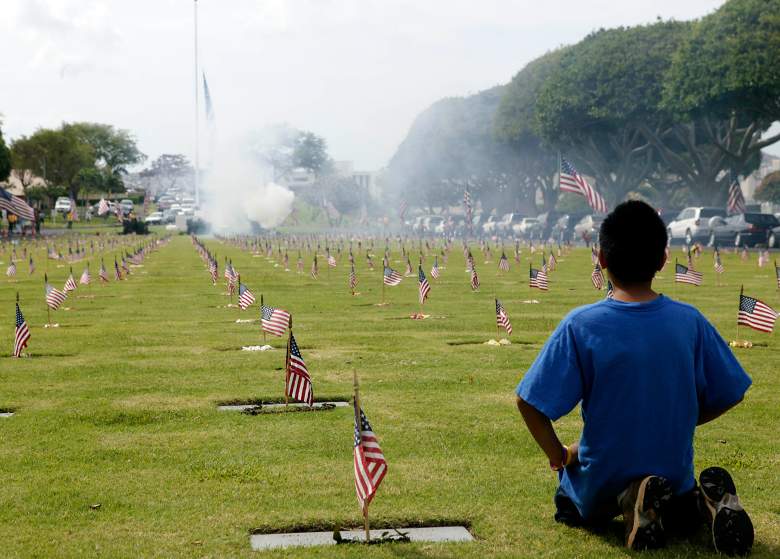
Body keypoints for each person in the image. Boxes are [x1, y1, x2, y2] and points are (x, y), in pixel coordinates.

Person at [515, 200, 754, 555]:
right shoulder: (690, 322)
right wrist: (681, 417)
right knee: (676, 498)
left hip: (604, 474)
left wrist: (560, 455)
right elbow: (732, 391)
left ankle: (634, 501)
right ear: (662, 260)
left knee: (570, 499)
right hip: (672, 470)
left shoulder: (581, 325)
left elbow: (528, 402)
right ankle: (701, 504)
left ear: (601, 259)